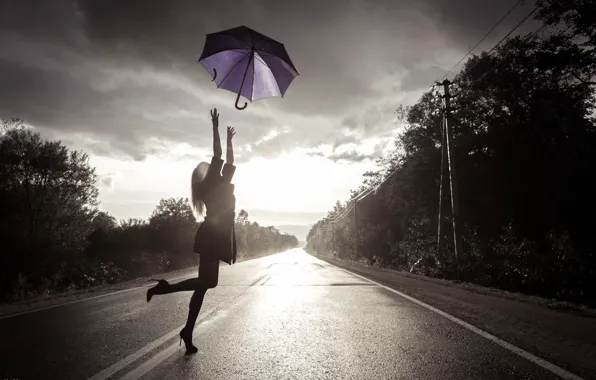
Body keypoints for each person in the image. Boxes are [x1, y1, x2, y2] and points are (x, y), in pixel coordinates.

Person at [145, 108, 237, 355]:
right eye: (210, 166)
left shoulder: (222, 181)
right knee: (209, 283)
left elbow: (229, 160)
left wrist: (230, 141)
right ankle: (165, 288)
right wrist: (216, 128)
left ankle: (187, 331)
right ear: (205, 174)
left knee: (203, 286)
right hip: (212, 236)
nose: (215, 165)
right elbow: (218, 154)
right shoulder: (209, 183)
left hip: (215, 236)